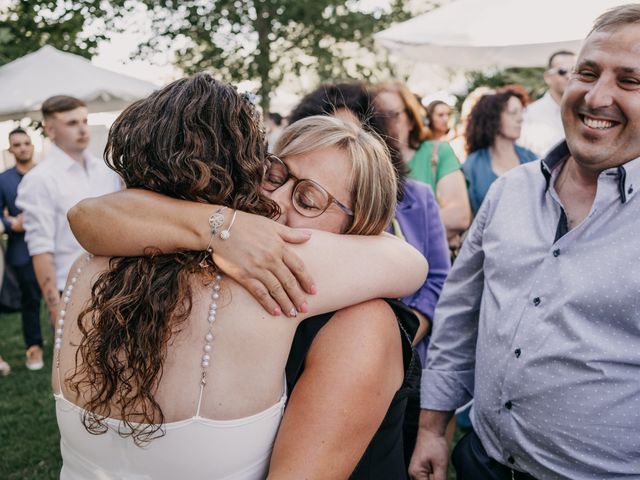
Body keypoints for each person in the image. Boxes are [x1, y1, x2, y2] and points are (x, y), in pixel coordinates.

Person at [57, 74, 428, 479]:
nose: (275, 201)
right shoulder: (220, 261)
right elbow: (87, 215)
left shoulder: (362, 323)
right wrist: (219, 225)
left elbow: (409, 262)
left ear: (358, 230)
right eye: (274, 175)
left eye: (307, 199)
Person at [409, 5, 640, 479]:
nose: (597, 97)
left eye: (630, 81)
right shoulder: (509, 190)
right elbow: (460, 311)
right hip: (480, 460)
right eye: (588, 72)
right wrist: (433, 427)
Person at [289, 81, 451, 466]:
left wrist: (407, 331)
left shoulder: (415, 199)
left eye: (353, 132)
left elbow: (434, 274)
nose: (341, 142)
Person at [15, 96, 121, 330]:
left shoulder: (106, 171)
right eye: (72, 123)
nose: (83, 128)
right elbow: (40, 249)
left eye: (84, 120)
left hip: (115, 281)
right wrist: (56, 308)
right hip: (72, 287)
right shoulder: (39, 180)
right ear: (50, 129)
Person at [373, 81, 471, 252]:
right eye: (377, 116)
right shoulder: (367, 164)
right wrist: (433, 227)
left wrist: (389, 235)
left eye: (392, 115)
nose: (384, 124)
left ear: (411, 120)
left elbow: (459, 216)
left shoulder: (438, 152)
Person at [0, 128, 44, 370]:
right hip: (22, 248)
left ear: (32, 146)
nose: (23, 148)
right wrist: (11, 222)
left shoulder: (46, 174)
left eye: (26, 143)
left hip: (53, 246)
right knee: (30, 299)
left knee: (61, 297)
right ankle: (34, 347)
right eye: (17, 144)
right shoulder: (3, 179)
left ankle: (66, 345)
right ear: (11, 150)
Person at [463, 88, 537, 213]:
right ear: (494, 117)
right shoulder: (472, 166)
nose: (520, 119)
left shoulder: (532, 160)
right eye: (513, 112)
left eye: (521, 112)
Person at [519, 50, 577, 157]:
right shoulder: (529, 114)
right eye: (562, 71)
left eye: (574, 71)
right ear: (547, 77)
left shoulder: (588, 111)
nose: (569, 76)